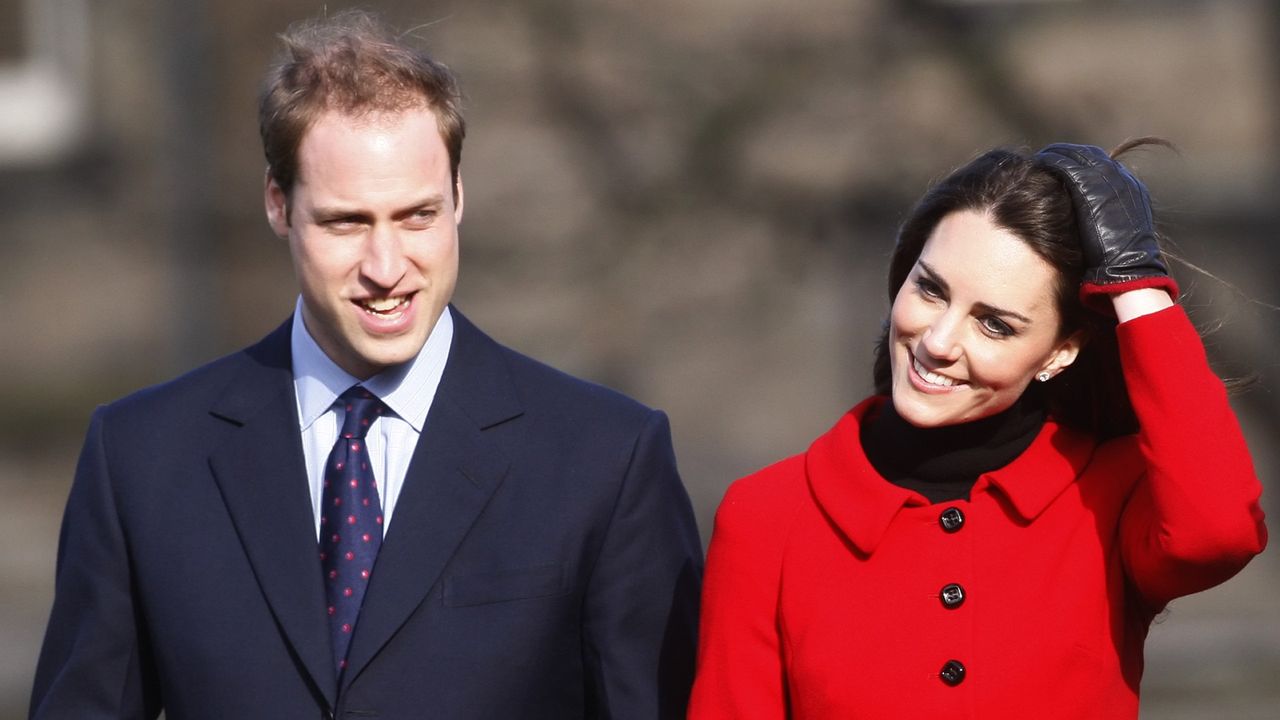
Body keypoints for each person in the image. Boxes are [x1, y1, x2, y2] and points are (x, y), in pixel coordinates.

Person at [30, 10, 701, 719]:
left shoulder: (605, 460)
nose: (387, 267)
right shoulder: (143, 458)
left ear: (459, 199)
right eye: (346, 222)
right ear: (279, 206)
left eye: (417, 216)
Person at [687, 141, 1267, 718]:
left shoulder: (1106, 493)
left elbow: (1218, 534)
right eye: (930, 289)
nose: (937, 343)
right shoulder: (768, 518)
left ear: (1061, 352)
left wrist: (1136, 285)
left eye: (994, 325)